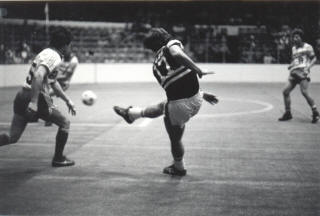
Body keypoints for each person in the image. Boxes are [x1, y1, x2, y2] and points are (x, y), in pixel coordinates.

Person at [113, 28, 218, 176]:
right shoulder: (171, 45)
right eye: (162, 33)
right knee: (164, 106)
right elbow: (177, 55)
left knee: (175, 138)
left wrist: (201, 88)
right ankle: (131, 114)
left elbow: (176, 85)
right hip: (195, 100)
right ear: (161, 40)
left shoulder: (155, 67)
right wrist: (198, 71)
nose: (165, 32)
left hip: (179, 106)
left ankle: (179, 167)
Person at [0, 26, 77, 167]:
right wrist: (34, 102)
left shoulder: (46, 53)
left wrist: (67, 100)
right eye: (70, 44)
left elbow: (53, 82)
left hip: (22, 94)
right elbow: (39, 75)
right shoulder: (55, 57)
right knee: (65, 123)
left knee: (12, 137)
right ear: (65, 45)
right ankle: (58, 158)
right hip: (35, 97)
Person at [278, 28, 319, 123]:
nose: (295, 39)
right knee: (285, 91)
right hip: (294, 72)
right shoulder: (293, 48)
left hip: (302, 71)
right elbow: (295, 60)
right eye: (293, 37)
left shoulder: (308, 47)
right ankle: (288, 113)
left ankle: (315, 112)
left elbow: (314, 59)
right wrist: (291, 65)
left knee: (304, 92)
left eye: (297, 37)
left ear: (301, 38)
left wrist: (308, 67)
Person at [45, 52, 79, 126]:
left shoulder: (74, 61)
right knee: (44, 95)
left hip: (63, 83)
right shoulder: (61, 57)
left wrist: (50, 77)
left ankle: (52, 116)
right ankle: (50, 115)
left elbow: (66, 76)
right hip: (53, 81)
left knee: (46, 95)